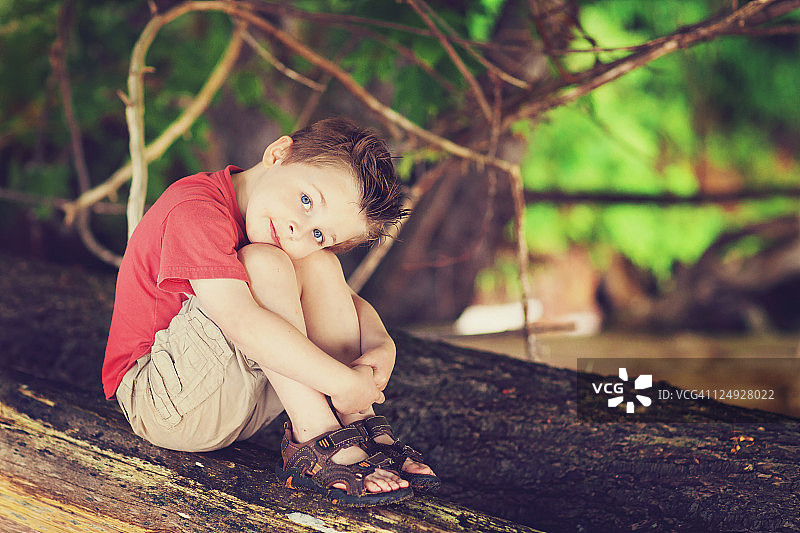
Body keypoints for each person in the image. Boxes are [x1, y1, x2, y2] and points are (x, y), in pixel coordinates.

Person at [102, 117, 438, 507]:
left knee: (319, 263)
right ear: (278, 154)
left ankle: (356, 420)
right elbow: (242, 321)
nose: (300, 229)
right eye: (307, 201)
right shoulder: (195, 208)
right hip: (163, 403)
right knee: (266, 262)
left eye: (320, 233)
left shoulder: (279, 227)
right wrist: (343, 382)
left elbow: (346, 298)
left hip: (236, 402)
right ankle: (315, 432)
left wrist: (381, 346)